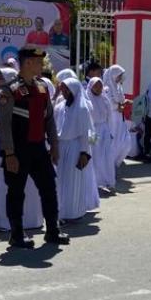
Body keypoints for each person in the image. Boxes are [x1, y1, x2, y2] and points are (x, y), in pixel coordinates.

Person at [0, 46, 65, 247]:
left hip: (39, 148)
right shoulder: (9, 91)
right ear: (27, 63)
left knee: (49, 188)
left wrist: (54, 145)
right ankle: (17, 234)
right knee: (16, 192)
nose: (41, 65)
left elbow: (49, 119)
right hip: (17, 150)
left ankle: (52, 231)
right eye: (38, 62)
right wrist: (9, 154)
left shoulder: (42, 87)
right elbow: (4, 126)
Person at [0, 68, 43, 233]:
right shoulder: (0, 95)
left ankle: (21, 221)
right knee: (1, 183)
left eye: (1, 78)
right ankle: (1, 220)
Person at [54, 77, 99, 222]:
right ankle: (60, 211)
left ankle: (73, 213)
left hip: (75, 148)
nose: (64, 92)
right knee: (60, 180)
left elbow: (86, 133)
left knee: (73, 181)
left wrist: (85, 153)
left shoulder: (82, 109)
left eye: (67, 89)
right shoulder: (59, 107)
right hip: (61, 147)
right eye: (63, 89)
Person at [86, 76, 116, 192]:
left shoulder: (104, 99)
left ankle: (108, 180)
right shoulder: (87, 99)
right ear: (91, 87)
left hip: (104, 130)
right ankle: (95, 182)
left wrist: (111, 131)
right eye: (96, 86)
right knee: (94, 154)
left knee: (106, 155)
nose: (98, 88)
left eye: (100, 86)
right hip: (92, 130)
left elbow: (110, 117)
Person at [103, 65, 130, 170]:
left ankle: (115, 162)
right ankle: (110, 164)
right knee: (114, 141)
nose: (120, 78)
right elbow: (108, 103)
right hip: (112, 118)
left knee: (125, 142)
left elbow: (121, 100)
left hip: (120, 118)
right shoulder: (107, 88)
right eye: (119, 75)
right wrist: (118, 106)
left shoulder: (118, 87)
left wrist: (123, 103)